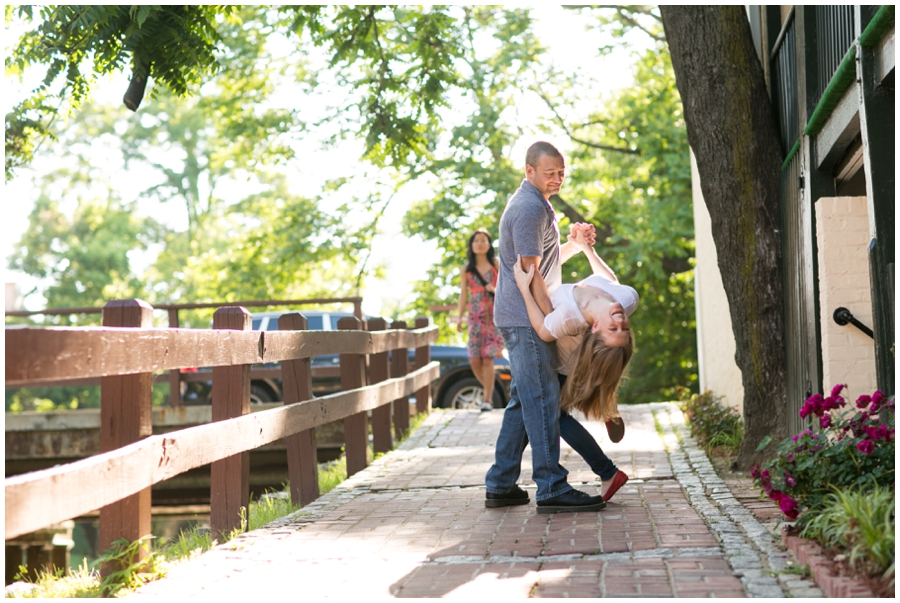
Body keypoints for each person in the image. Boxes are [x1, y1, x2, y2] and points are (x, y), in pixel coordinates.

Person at [485, 140, 606, 514]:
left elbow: (544, 261)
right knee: (543, 399)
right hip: (525, 319)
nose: (557, 178)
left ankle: (501, 484)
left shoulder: (538, 205)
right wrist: (549, 321)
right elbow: (529, 271)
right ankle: (552, 486)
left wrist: (574, 244)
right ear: (529, 171)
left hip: (519, 314)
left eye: (561, 172)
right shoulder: (528, 209)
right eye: (549, 173)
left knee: (525, 399)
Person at [512, 223, 636, 503]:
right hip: (579, 356)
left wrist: (523, 289)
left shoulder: (570, 316)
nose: (620, 322)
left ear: (595, 330)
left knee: (554, 416)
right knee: (550, 409)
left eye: (614, 329)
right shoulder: (626, 300)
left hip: (566, 362)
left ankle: (607, 470)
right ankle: (603, 404)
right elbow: (607, 278)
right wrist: (585, 248)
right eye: (624, 328)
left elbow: (544, 328)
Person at [457, 228, 504, 412]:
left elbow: (506, 287)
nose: (479, 243)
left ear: (489, 244)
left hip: (493, 316)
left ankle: (487, 400)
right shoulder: (466, 269)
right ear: (472, 245)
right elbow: (463, 294)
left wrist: (495, 289)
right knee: (474, 359)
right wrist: (460, 318)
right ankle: (489, 389)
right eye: (476, 240)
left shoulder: (496, 264)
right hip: (474, 318)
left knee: (487, 359)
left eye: (483, 240)